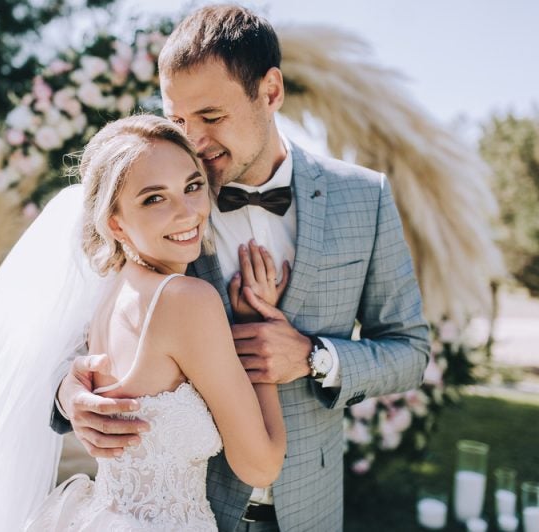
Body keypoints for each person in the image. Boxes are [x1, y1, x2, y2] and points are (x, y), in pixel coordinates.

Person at [52, 5, 430, 531]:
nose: (194, 141)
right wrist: (70, 395)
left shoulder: (364, 197)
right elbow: (80, 338)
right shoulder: (163, 203)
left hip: (311, 509)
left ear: (270, 91)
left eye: (211, 117)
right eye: (178, 120)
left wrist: (313, 357)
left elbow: (410, 349)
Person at [26, 114, 287, 531]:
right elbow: (260, 465)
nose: (187, 212)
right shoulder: (186, 300)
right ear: (115, 223)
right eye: (154, 199)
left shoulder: (108, 292)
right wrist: (257, 329)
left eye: (192, 186)